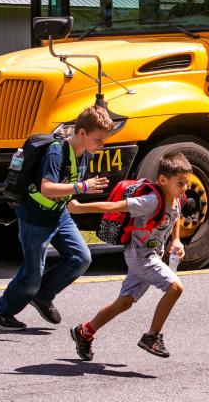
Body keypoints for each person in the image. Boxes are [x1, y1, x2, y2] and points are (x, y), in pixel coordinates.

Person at [0, 106, 112, 331]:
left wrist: (77, 201)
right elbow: (47, 188)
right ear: (82, 133)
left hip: (59, 213)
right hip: (35, 216)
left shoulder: (86, 155)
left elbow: (66, 187)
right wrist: (82, 186)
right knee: (32, 275)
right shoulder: (56, 151)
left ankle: (42, 296)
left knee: (81, 258)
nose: (102, 145)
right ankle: (0, 312)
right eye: (98, 140)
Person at [67, 152, 191, 359]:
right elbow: (115, 206)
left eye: (186, 183)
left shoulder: (176, 196)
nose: (184, 188)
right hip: (141, 256)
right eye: (180, 183)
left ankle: (85, 332)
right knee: (175, 287)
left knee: (124, 302)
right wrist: (80, 208)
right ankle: (152, 336)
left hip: (152, 254)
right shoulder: (149, 201)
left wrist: (176, 240)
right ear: (162, 180)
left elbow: (175, 215)